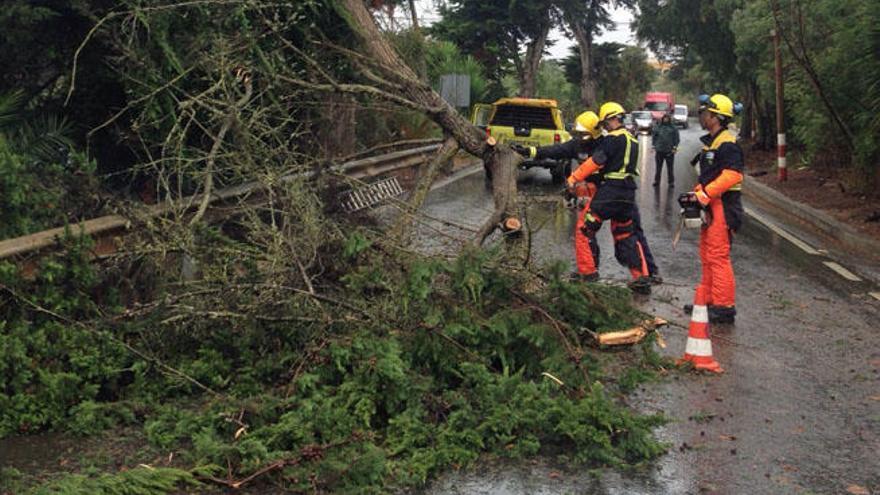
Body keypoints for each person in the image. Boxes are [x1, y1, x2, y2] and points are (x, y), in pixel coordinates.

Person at [567, 102, 655, 294]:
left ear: (613, 119)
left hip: (610, 191)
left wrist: (574, 178)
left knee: (585, 229)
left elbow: (596, 161)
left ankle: (588, 273)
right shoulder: (633, 139)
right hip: (628, 194)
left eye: (605, 122)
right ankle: (641, 277)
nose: (604, 127)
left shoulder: (611, 140)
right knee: (626, 234)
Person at [513, 111, 603, 280]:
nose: (581, 137)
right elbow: (555, 150)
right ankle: (589, 269)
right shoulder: (577, 145)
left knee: (586, 230)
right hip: (586, 192)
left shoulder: (604, 145)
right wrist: (528, 151)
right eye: (579, 133)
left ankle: (590, 271)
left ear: (594, 132)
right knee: (585, 230)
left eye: (584, 134)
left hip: (604, 192)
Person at [685, 93, 744, 323]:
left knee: (718, 256)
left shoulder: (727, 143)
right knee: (707, 255)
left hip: (724, 206)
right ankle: (709, 300)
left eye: (705, 113)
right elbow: (708, 176)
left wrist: (705, 195)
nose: (701, 116)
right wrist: (696, 196)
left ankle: (724, 306)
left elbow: (731, 175)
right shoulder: (711, 143)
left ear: (716, 117)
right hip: (711, 205)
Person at [651, 113, 680, 188]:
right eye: (664, 118)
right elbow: (654, 137)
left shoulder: (673, 128)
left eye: (667, 118)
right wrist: (653, 146)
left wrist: (675, 147)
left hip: (669, 151)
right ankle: (657, 181)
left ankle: (671, 182)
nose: (665, 120)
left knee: (670, 168)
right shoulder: (658, 127)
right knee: (658, 168)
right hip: (659, 150)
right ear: (662, 119)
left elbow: (676, 139)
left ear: (669, 119)